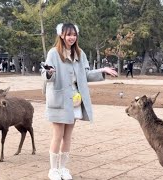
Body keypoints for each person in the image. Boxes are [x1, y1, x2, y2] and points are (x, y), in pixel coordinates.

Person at [41, 23, 118, 180]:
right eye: (68, 34)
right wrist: (49, 73)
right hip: (59, 99)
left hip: (75, 100)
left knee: (68, 136)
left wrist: (103, 71)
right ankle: (53, 170)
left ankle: (63, 168)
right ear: (61, 35)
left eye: (74, 34)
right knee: (58, 135)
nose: (72, 37)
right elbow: (46, 74)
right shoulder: (53, 53)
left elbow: (86, 74)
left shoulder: (80, 53)